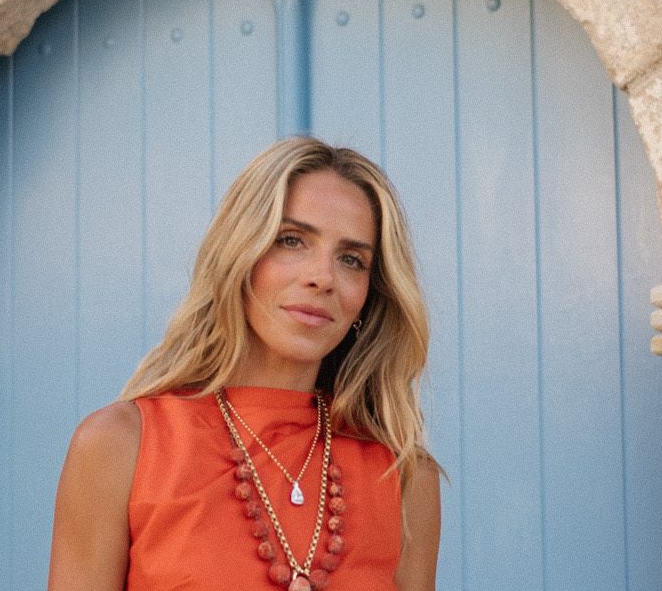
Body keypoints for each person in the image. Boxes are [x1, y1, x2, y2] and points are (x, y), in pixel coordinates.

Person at [48, 137, 441, 591]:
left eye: (352, 260)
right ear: (239, 254)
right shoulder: (119, 446)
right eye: (291, 240)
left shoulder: (404, 477)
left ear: (370, 295)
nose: (322, 277)